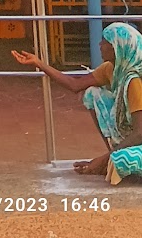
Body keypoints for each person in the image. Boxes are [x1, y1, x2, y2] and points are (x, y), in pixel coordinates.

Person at [13, 22, 142, 183]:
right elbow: (75, 85)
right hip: (133, 136)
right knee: (92, 93)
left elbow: (139, 133)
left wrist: (102, 159)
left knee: (123, 159)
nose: (100, 45)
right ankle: (110, 159)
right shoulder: (110, 68)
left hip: (139, 137)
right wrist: (39, 63)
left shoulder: (134, 81)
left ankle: (110, 160)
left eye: (105, 42)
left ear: (118, 46)